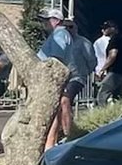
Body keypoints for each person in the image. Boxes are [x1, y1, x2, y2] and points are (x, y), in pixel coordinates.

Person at [37, 8, 94, 149]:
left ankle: (68, 135)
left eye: (47, 20)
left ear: (56, 21)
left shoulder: (62, 35)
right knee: (56, 107)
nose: (44, 23)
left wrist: (84, 73)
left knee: (63, 102)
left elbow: (57, 59)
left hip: (72, 77)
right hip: (59, 78)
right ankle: (54, 139)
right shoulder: (56, 35)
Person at [96, 20, 122, 105]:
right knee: (117, 97)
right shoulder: (121, 39)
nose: (103, 30)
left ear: (112, 29)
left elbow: (112, 55)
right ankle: (118, 114)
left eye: (106, 28)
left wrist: (103, 69)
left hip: (115, 72)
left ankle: (102, 113)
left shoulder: (115, 39)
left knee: (102, 93)